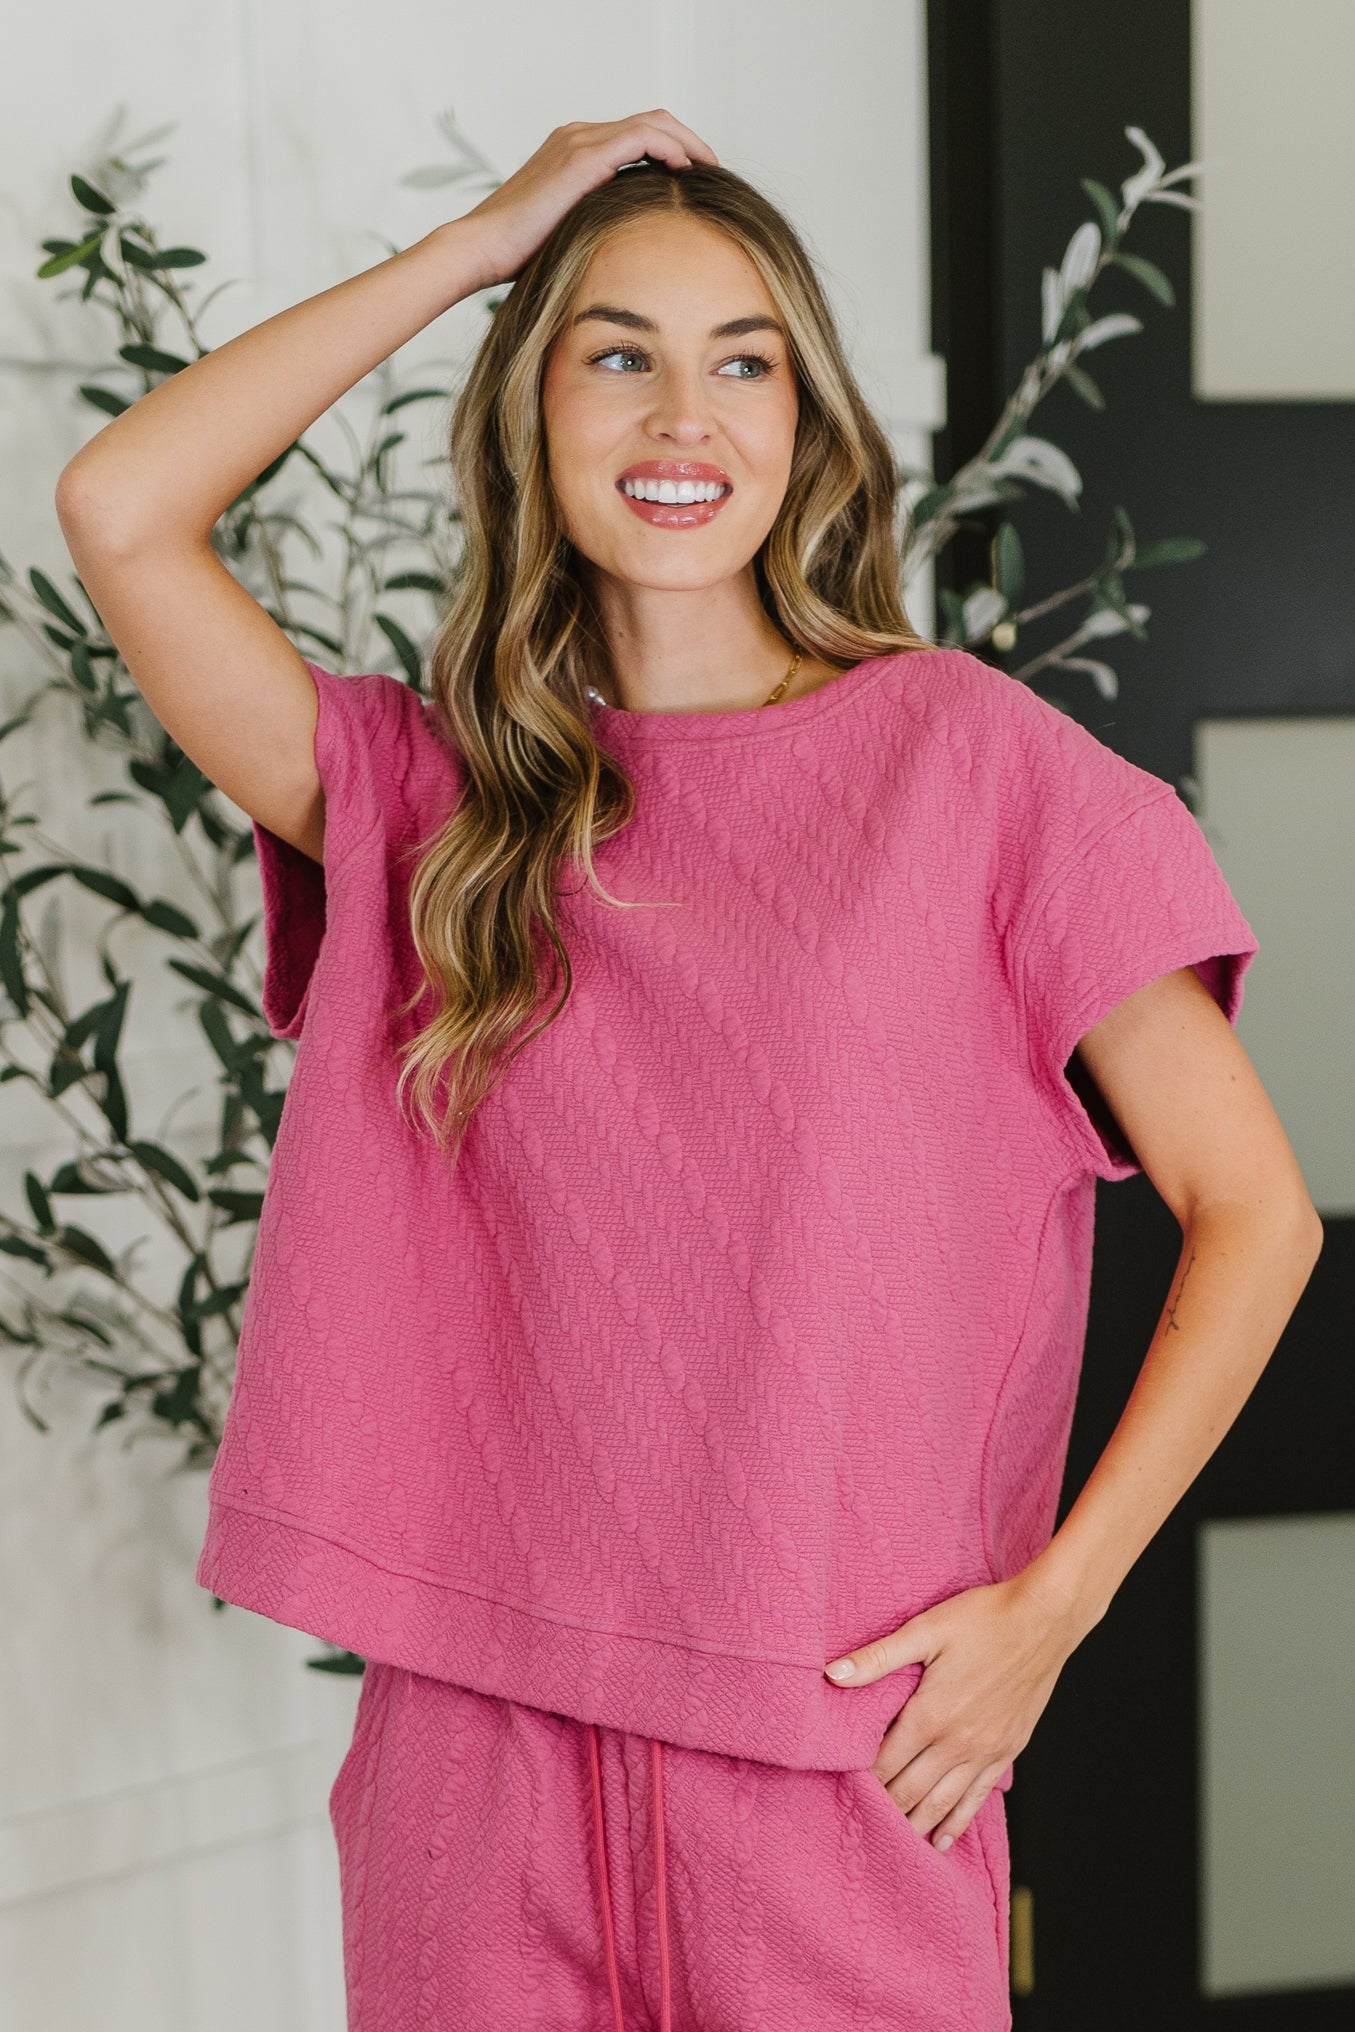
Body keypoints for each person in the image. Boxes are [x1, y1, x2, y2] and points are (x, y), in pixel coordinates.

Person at [55, 110, 1321, 2032]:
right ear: (531, 410)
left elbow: (1257, 1216)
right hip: (472, 1764)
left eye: (744, 363)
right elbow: (122, 508)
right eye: (617, 355)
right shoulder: (433, 800)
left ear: (807, 423)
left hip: (841, 1754)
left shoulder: (978, 769)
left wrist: (1051, 1614)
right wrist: (479, 247)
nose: (682, 417)